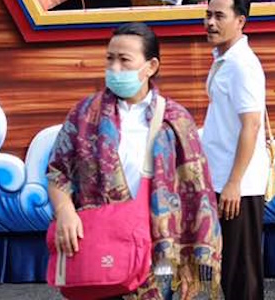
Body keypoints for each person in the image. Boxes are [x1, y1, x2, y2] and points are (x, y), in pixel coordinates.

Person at [47, 22, 221, 300]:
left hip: (159, 252)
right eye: (110, 59)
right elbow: (58, 171)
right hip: (99, 243)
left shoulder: (175, 120)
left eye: (124, 60)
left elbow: (197, 191)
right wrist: (65, 211)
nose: (114, 68)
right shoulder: (84, 115)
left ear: (151, 66)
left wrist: (190, 258)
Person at [200, 0, 269, 300]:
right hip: (223, 178)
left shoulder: (243, 65)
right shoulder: (224, 58)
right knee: (229, 270)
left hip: (238, 185)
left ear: (240, 21)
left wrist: (234, 183)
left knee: (242, 274)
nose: (210, 23)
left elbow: (251, 125)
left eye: (219, 16)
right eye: (207, 15)